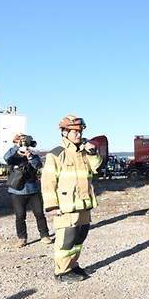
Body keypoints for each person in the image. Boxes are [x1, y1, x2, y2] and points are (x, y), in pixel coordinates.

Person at [42, 115, 102, 283]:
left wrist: (92, 153)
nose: (78, 134)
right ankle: (61, 271)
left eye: (80, 131)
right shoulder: (56, 154)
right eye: (74, 131)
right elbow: (48, 183)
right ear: (64, 132)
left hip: (83, 203)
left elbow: (97, 168)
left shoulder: (84, 151)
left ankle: (72, 265)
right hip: (66, 207)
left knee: (79, 237)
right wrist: (51, 206)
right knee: (66, 239)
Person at [4, 134, 52, 247]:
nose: (23, 146)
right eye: (21, 144)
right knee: (20, 216)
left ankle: (44, 235)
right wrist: (17, 147)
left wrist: (30, 157)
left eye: (25, 144)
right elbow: (6, 157)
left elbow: (38, 166)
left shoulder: (33, 156)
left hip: (33, 189)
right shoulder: (12, 157)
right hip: (17, 191)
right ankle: (22, 238)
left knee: (39, 214)